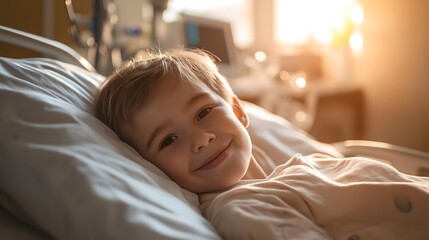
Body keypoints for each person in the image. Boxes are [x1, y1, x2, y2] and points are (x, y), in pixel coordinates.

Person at [95, 48, 429, 239]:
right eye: (168, 140)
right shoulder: (242, 209)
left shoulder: (303, 166)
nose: (201, 139)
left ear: (238, 111)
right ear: (147, 164)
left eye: (204, 112)